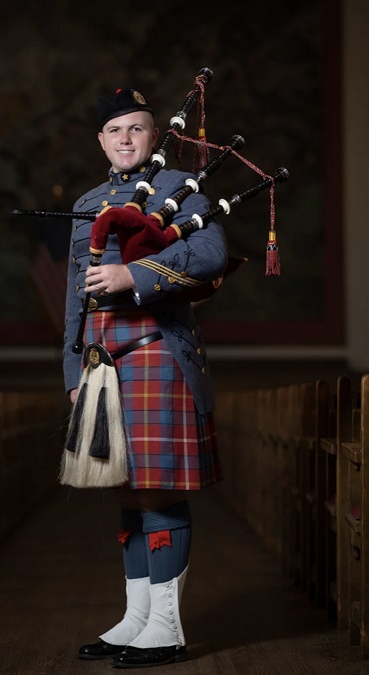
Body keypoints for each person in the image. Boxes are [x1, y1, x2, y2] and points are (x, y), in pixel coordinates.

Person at [62, 86, 228, 669]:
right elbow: (73, 301)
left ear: (154, 137)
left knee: (158, 489)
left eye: (136, 128)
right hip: (100, 363)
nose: (125, 139)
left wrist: (132, 275)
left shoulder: (180, 191)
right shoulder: (87, 203)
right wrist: (71, 371)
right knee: (128, 493)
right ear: (101, 140)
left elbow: (208, 255)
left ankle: (167, 625)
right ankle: (136, 619)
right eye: (115, 130)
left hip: (157, 352)